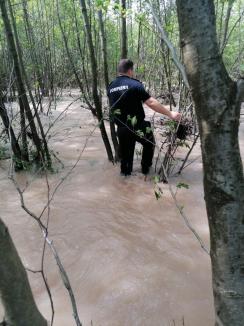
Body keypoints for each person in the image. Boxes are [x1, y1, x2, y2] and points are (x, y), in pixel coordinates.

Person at [107, 59, 181, 176]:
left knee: (126, 164)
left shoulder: (111, 86)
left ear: (119, 71)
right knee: (149, 144)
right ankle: (145, 171)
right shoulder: (135, 84)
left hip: (122, 128)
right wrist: (170, 114)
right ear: (130, 71)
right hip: (138, 126)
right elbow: (151, 103)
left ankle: (125, 183)